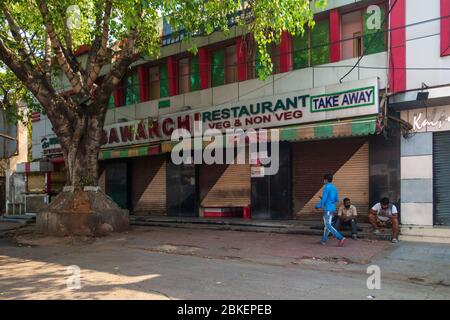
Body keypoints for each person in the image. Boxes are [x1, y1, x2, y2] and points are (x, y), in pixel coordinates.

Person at [314, 174, 346, 246]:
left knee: (328, 225)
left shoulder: (326, 187)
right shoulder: (334, 188)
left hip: (327, 209)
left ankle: (341, 238)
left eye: (324, 180)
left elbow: (324, 199)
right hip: (332, 209)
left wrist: (318, 206)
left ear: (326, 180)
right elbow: (336, 199)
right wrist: (328, 201)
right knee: (327, 225)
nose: (323, 181)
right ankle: (323, 240)